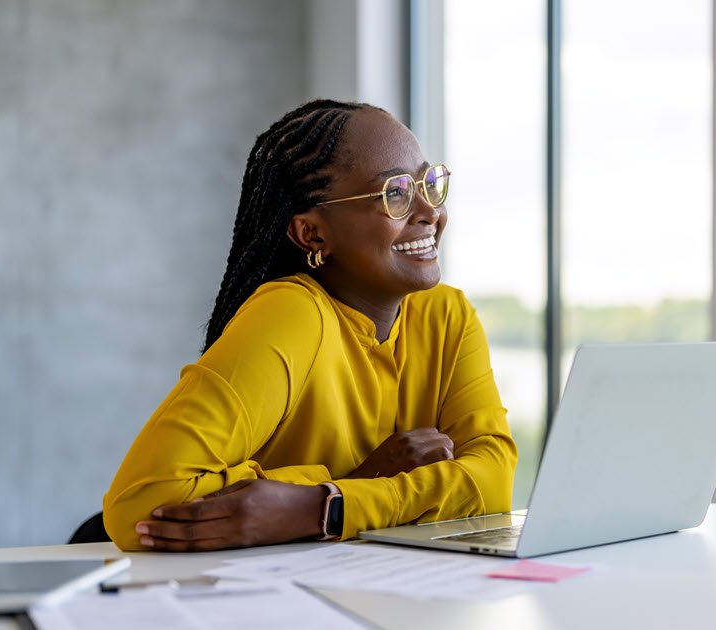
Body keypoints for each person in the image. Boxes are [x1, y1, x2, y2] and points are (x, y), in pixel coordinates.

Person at [102, 100, 517, 552]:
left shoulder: (447, 316)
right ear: (312, 234)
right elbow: (139, 505)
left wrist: (324, 504)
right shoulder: (290, 314)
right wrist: (351, 487)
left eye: (427, 182)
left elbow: (492, 484)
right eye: (394, 194)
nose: (429, 212)